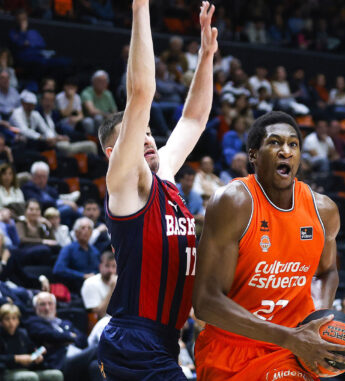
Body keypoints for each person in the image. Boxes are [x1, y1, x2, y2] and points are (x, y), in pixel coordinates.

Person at [96, 2, 218, 380]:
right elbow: (141, 92)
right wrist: (140, 8)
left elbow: (194, 119)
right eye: (138, 133)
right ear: (114, 154)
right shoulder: (124, 186)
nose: (148, 137)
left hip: (165, 338)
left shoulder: (162, 174)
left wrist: (206, 55)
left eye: (150, 132)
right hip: (134, 338)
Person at [192, 111, 345, 379]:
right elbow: (205, 302)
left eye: (293, 144)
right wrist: (290, 337)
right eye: (275, 142)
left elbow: (327, 272)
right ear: (253, 155)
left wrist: (318, 322)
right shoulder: (234, 202)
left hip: (291, 352)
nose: (286, 151)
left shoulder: (323, 211)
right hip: (232, 349)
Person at [25, 292, 101, 381]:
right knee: (97, 347)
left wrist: (63, 340)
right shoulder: (33, 323)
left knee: (95, 365)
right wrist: (71, 336)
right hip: (60, 362)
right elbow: (51, 335)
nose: (47, 308)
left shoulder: (64, 323)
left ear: (55, 305)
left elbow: (83, 339)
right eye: (42, 304)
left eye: (50, 303)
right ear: (35, 308)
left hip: (77, 355)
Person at [0, 303, 64, 381]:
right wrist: (16, 358)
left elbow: (31, 351)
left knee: (56, 374)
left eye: (14, 318)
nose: (11, 323)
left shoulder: (22, 334)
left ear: (18, 320)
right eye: (7, 319)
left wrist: (37, 357)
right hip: (6, 371)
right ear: (1, 321)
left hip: (27, 369)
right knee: (30, 377)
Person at [52, 217, 99, 292]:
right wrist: (83, 276)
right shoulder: (68, 249)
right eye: (83, 228)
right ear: (76, 232)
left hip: (94, 287)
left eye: (89, 228)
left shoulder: (95, 251)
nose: (86, 230)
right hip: (74, 288)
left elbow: (98, 270)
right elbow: (58, 270)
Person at [81, 251, 116, 321]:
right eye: (107, 266)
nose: (110, 270)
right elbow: (99, 315)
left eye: (114, 266)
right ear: (100, 266)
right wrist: (112, 289)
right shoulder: (90, 283)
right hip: (102, 324)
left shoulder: (120, 281)